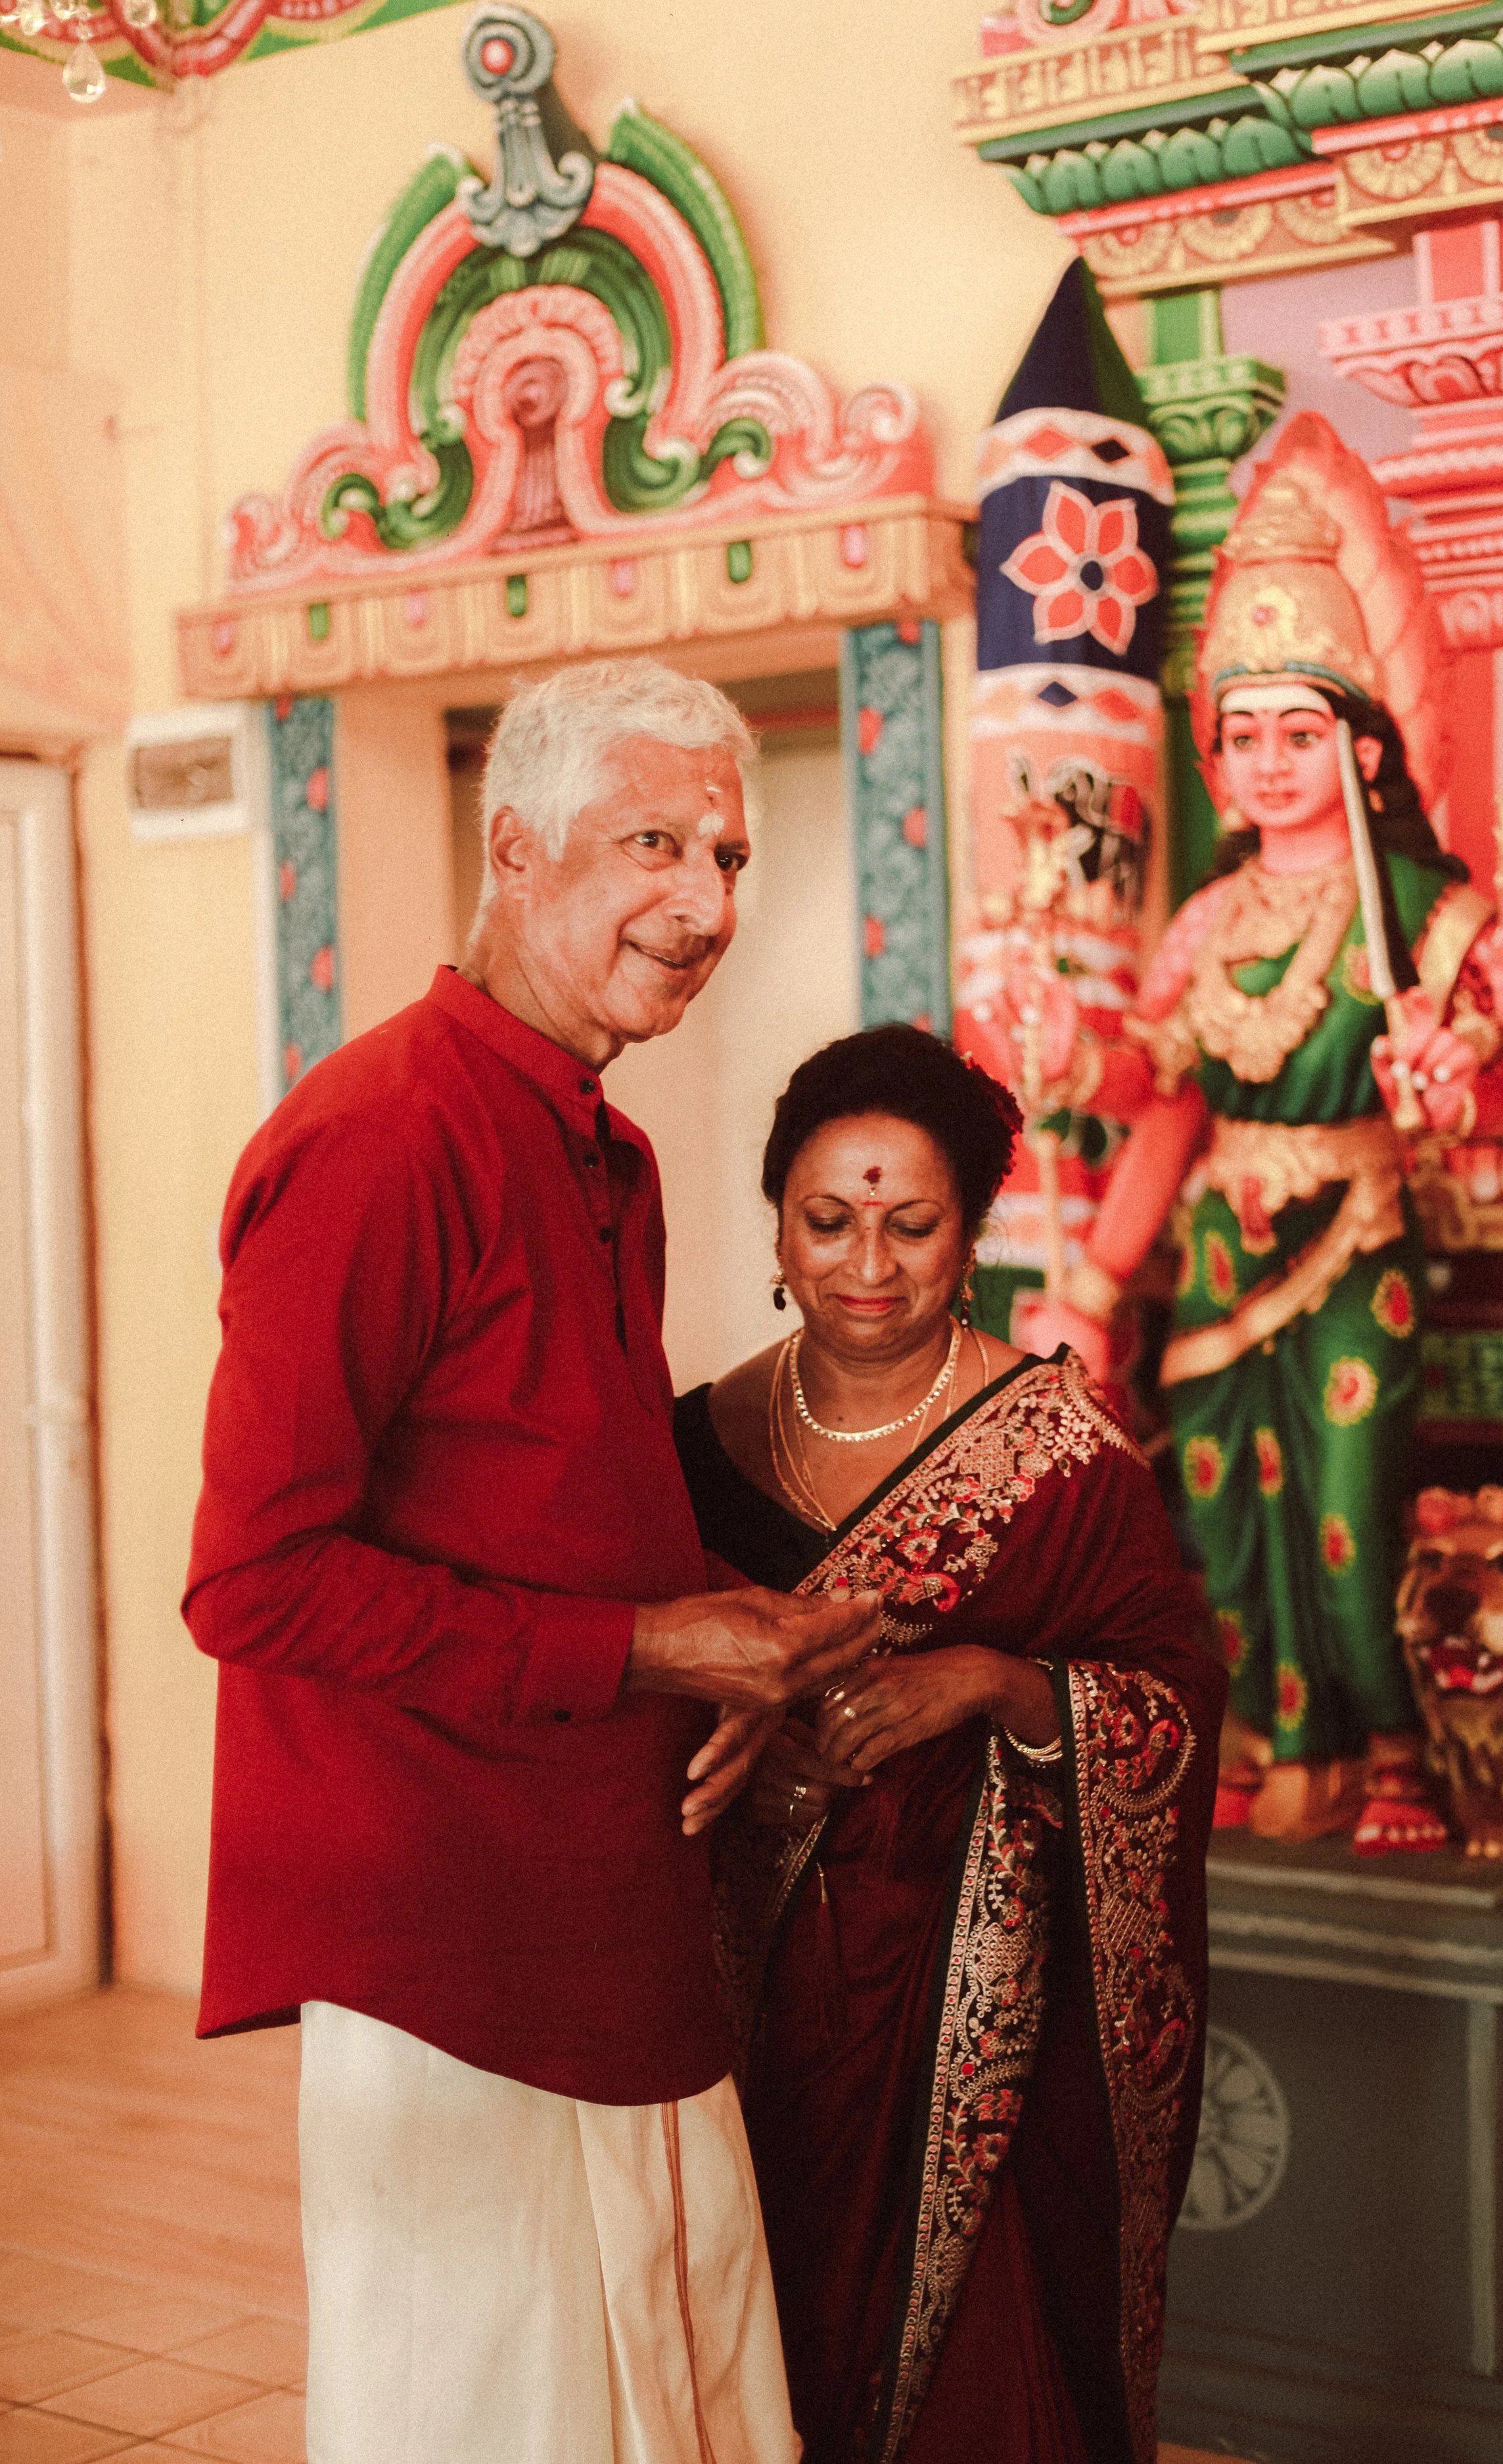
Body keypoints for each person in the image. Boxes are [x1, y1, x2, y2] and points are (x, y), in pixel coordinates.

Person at [183, 658, 879, 2464]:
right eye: (651, 839)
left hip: (607, 1869)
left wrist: (728, 1662)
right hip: (446, 1923)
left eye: (727, 849)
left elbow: (554, 1492)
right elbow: (251, 1581)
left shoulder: (610, 1149)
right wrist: (656, 1649)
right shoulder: (375, 1137)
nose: (705, 899)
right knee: (487, 2389)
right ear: (516, 848)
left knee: (667, 2351)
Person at [1030, 413, 1503, 1852]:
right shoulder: (1208, 922)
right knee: (1220, 1519)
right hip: (1222, 1252)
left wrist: (1473, 1050)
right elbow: (1159, 1103)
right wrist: (1072, 1088)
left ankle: (1391, 1758)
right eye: (1243, 737)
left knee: (1351, 1512)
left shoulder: (1423, 908)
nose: (1270, 762)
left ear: (1361, 749)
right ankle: (1260, 1742)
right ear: (1216, 762)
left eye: (1301, 734)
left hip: (1355, 1246)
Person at [672, 1023, 1224, 2464]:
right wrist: (741, 1719)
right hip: (726, 2001)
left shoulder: (1059, 1466)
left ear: (967, 1234)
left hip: (971, 2038)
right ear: (776, 1226)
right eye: (827, 1222)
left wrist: (990, 1682)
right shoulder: (691, 1441)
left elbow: (1169, 1706)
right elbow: (623, 1669)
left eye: (910, 1226)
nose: (867, 1264)